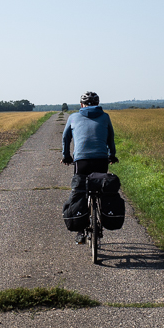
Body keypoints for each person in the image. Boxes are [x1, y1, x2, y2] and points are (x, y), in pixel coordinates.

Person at [61, 91, 118, 243]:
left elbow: (66, 138)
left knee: (81, 191)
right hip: (101, 160)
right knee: (100, 188)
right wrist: (112, 154)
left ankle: (80, 231)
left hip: (82, 161)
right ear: (98, 104)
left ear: (81, 105)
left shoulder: (73, 117)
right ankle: (101, 219)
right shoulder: (105, 116)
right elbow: (110, 138)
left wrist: (66, 156)